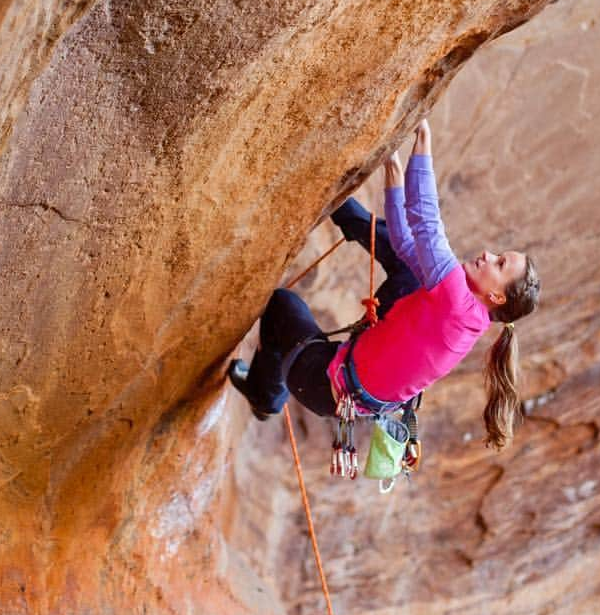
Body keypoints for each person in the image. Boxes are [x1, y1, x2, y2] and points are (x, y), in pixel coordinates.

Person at [228, 120, 540, 449]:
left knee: (282, 305)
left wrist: (423, 137)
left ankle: (266, 396)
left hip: (319, 379)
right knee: (402, 264)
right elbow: (406, 245)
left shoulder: (457, 304)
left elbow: (426, 220)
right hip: (343, 389)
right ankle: (342, 209)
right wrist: (393, 172)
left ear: (496, 296)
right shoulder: (466, 312)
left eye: (499, 263)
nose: (488, 255)